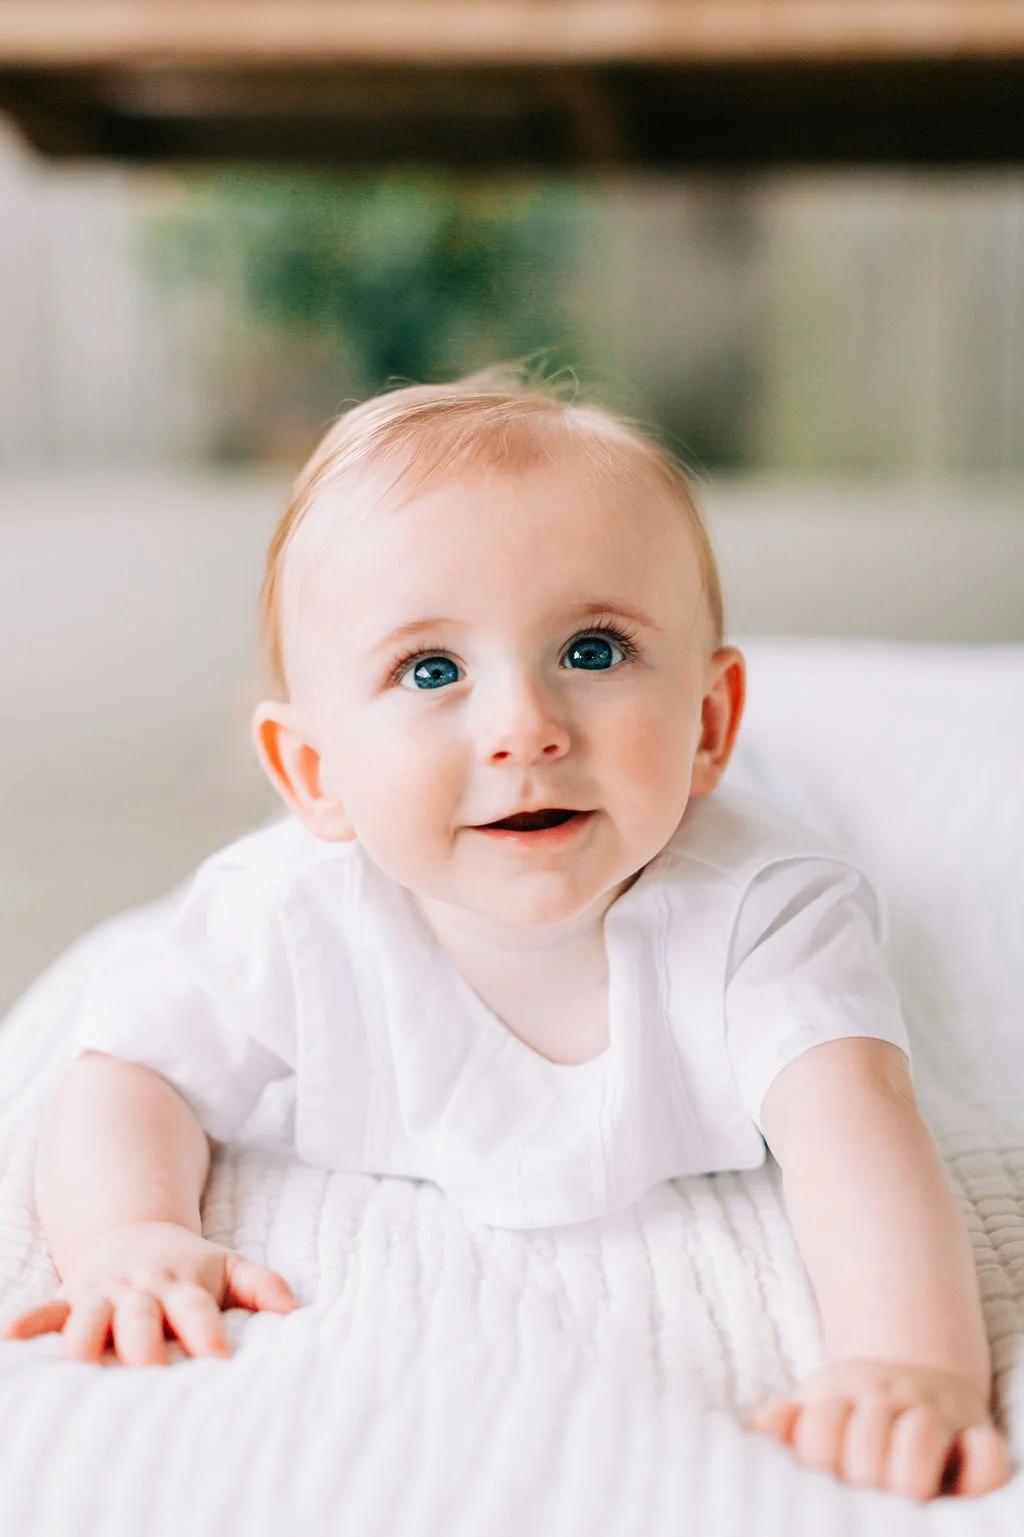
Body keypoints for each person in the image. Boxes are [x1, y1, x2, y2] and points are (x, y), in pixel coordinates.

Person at [0, 369, 1009, 1501]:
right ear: (313, 774)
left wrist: (907, 1362)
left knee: (850, 790)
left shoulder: (762, 913)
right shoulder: (286, 915)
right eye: (430, 669)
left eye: (593, 650)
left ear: (710, 723)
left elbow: (858, 1134)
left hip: (756, 808)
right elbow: (129, 1069)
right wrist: (128, 1234)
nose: (524, 728)